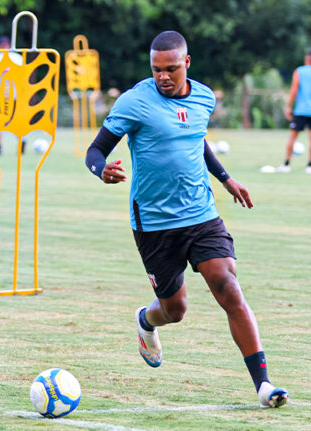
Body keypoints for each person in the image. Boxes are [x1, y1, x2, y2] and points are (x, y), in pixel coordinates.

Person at [85, 31, 288, 409]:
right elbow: (96, 149)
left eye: (171, 69)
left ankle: (264, 385)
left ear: (187, 64)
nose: (163, 76)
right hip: (154, 224)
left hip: (201, 214)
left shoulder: (204, 97)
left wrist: (226, 180)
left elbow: (196, 141)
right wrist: (101, 170)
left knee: (227, 285)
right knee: (174, 310)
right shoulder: (134, 102)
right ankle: (147, 320)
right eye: (156, 69)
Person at [276, 48, 311, 174]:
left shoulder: (299, 71)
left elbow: (294, 91)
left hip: (301, 110)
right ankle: (310, 166)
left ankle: (286, 164)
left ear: (306, 58)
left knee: (292, 138)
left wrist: (289, 106)